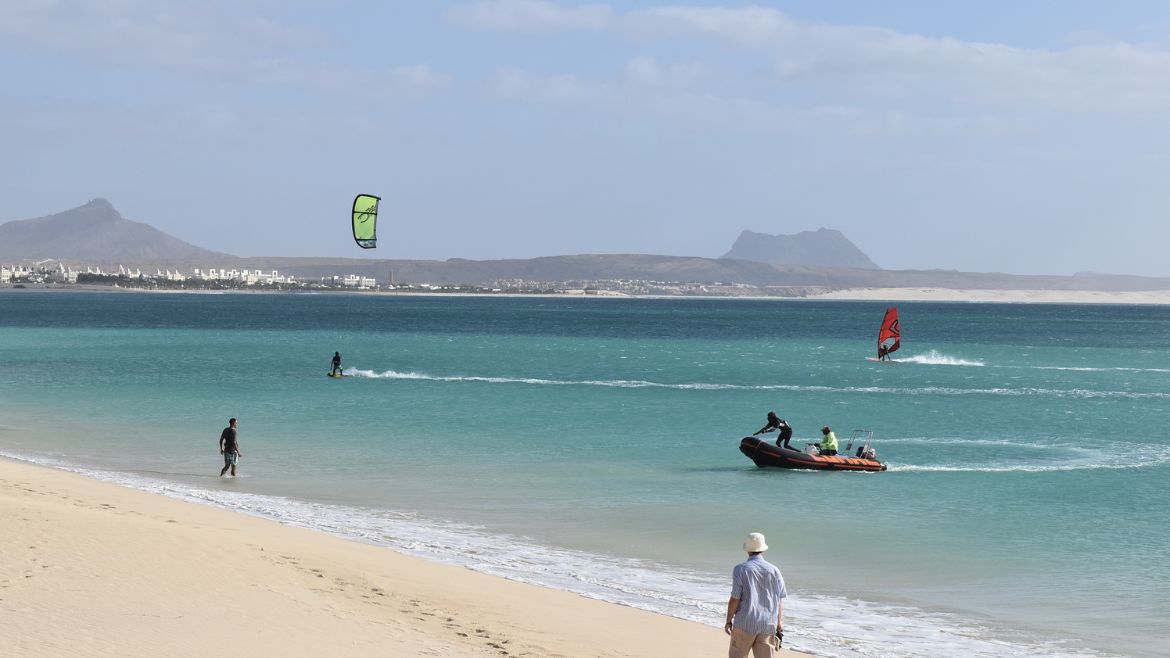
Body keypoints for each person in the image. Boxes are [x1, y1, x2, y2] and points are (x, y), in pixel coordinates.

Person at [725, 532, 786, 658]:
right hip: (767, 624)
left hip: (744, 622)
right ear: (762, 549)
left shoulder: (740, 569)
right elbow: (779, 599)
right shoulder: (774, 570)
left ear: (748, 550)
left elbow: (734, 599)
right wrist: (779, 623)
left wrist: (728, 620)